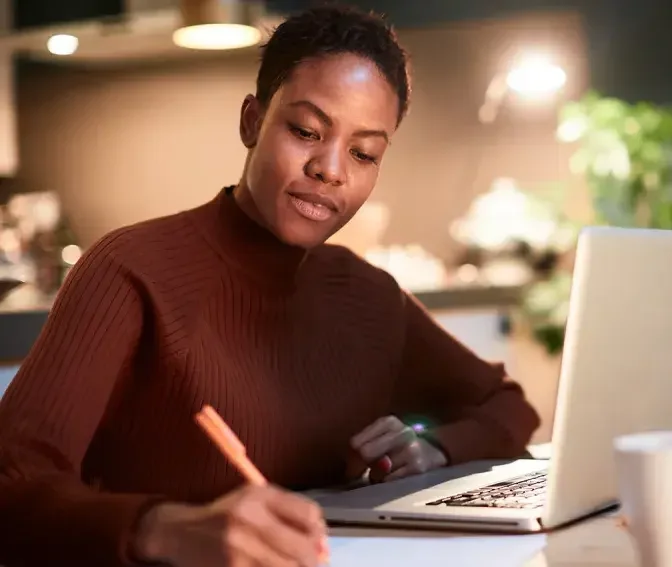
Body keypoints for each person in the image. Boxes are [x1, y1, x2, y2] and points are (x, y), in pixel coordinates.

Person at [0, 5, 540, 567]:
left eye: (363, 153)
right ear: (253, 122)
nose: (330, 169)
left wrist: (434, 448)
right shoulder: (131, 269)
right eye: (306, 131)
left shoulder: (369, 296)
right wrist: (161, 530)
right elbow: (11, 484)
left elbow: (505, 407)